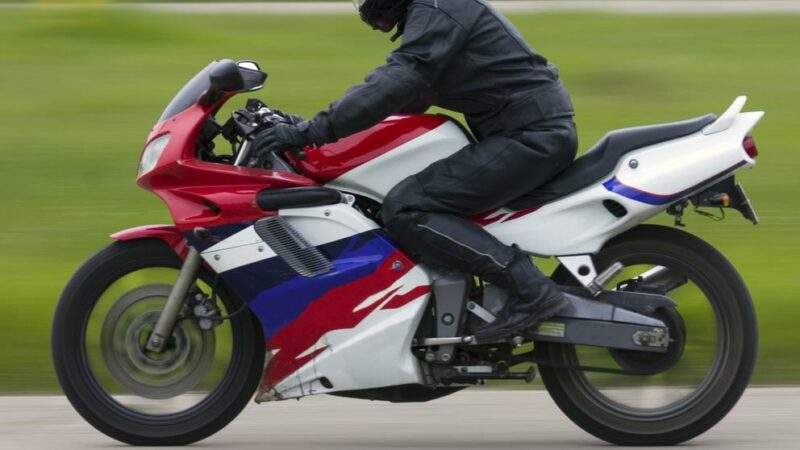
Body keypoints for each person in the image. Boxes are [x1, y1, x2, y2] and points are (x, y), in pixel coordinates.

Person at [253, 0, 578, 341]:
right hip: (523, 133)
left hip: (530, 138)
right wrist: (308, 129)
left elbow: (398, 80)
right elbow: (395, 97)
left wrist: (308, 132)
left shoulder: (441, 8)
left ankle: (533, 291)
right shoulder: (436, 12)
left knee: (408, 206)